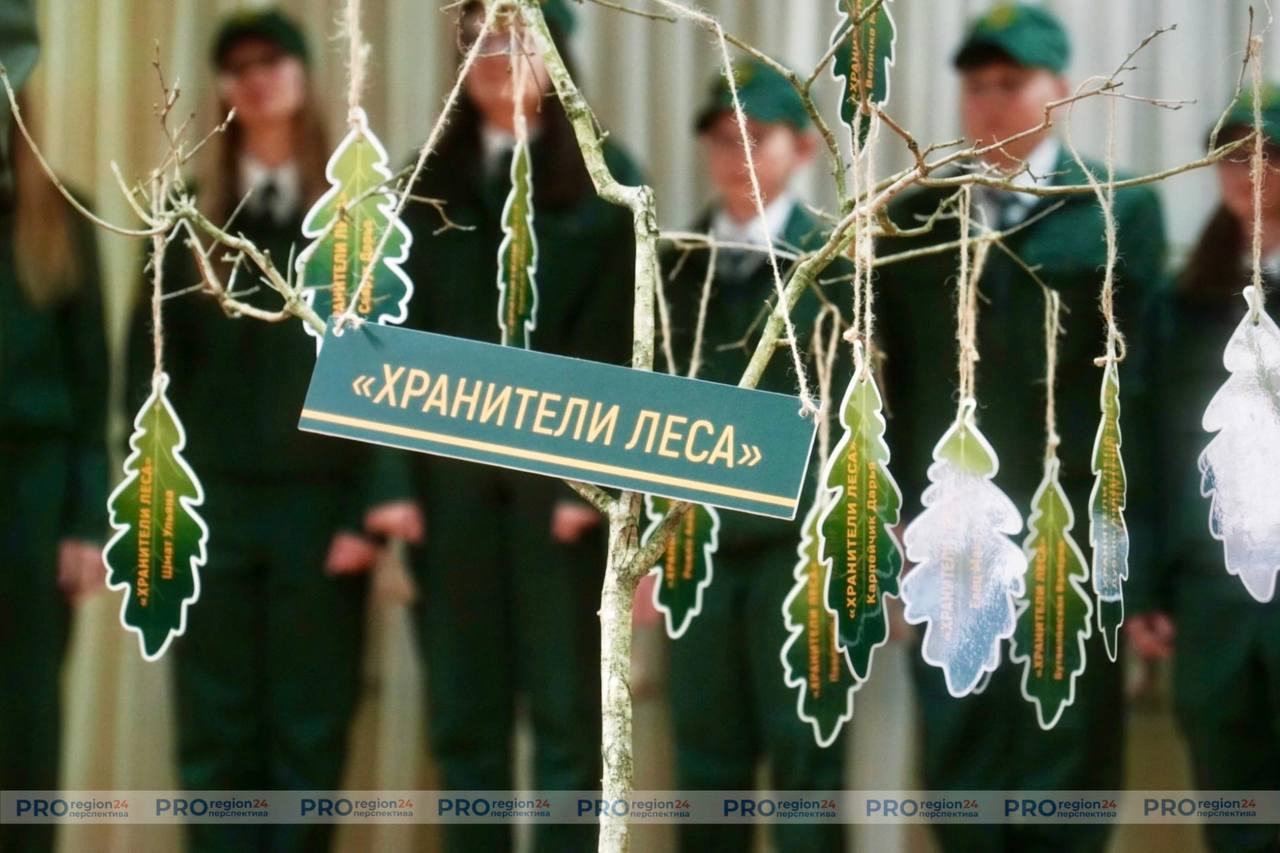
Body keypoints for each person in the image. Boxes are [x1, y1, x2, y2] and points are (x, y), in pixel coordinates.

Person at [874, 5, 1166, 851]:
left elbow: (1138, 393)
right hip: (951, 531)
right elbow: (891, 382)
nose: (993, 103)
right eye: (977, 85)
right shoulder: (919, 220)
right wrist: (890, 519)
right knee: (959, 737)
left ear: (1060, 93)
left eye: (1013, 83)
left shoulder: (1113, 211)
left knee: (1062, 739)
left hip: (1067, 530)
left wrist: (1130, 548)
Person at [125, 10, 417, 852]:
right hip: (206, 511)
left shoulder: (356, 216)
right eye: (236, 65)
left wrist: (370, 507)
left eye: (272, 61)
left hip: (320, 515)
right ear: (219, 88)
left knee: (309, 733)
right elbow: (144, 371)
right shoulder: (182, 216)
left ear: (302, 75)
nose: (254, 78)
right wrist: (155, 507)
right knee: (215, 731)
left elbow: (390, 368)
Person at [392, 2, 643, 851]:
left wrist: (601, 486)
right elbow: (382, 345)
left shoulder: (612, 187)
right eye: (481, 43)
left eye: (519, 39)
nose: (500, 57)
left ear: (558, 54)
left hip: (561, 507)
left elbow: (626, 347)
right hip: (451, 501)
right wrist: (395, 489)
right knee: (465, 725)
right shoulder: (420, 185)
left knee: (570, 727)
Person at [658, 56, 850, 853]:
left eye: (755, 137)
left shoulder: (837, 261)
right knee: (705, 766)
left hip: (800, 554)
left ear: (801, 150)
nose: (732, 154)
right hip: (694, 551)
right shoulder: (673, 260)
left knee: (806, 766)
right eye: (716, 138)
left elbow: (868, 408)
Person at [1127, 87, 1280, 853]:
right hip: (1212, 597)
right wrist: (1146, 587)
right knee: (1236, 803)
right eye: (1232, 154)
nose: (1248, 171)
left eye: (1268, 153)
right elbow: (1151, 453)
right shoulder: (1181, 303)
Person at [0, 95, 109, 853]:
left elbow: (93, 380)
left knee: (25, 713)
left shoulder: (63, 215)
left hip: (30, 496)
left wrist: (85, 521)